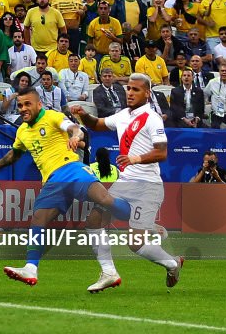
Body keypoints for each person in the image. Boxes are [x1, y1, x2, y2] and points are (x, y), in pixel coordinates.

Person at [0, 87, 133, 286]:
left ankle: (139, 215)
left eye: (28, 104)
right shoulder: (22, 131)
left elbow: (74, 128)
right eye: (20, 105)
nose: (23, 108)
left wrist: (76, 137)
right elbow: (15, 154)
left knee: (105, 200)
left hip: (71, 169)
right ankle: (30, 268)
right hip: (52, 181)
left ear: (39, 104)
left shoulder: (52, 116)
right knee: (38, 219)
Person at [71, 74, 183, 292]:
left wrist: (135, 158)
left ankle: (172, 263)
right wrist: (83, 115)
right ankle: (109, 273)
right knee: (94, 220)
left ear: (147, 93)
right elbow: (98, 125)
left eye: (136, 90)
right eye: (129, 89)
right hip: (125, 183)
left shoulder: (152, 118)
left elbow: (162, 152)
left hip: (147, 186)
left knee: (135, 244)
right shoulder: (123, 115)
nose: (130, 93)